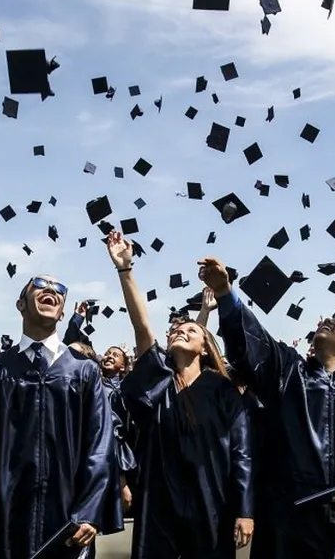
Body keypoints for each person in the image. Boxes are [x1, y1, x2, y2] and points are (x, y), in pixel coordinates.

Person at [200, 256, 335, 559]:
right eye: (325, 321)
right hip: (287, 520)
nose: (327, 322)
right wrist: (224, 292)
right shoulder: (289, 372)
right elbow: (254, 344)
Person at [0, 273, 122, 559]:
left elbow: (100, 446)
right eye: (39, 285)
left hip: (67, 521)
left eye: (59, 288)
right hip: (4, 516)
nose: (50, 289)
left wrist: (90, 509)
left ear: (62, 313)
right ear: (20, 304)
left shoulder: (83, 371)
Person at [106, 232, 254, 559]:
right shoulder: (157, 381)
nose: (180, 331)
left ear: (205, 348)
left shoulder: (223, 390)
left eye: (191, 331)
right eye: (176, 330)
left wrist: (245, 509)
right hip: (159, 500)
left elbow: (241, 454)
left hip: (211, 501)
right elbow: (143, 329)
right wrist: (125, 270)